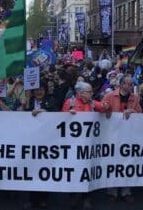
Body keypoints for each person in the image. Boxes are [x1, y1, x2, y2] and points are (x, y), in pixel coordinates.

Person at [62, 81, 110, 210]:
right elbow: (60, 121)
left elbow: (106, 108)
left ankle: (86, 198)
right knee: (74, 171)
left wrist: (106, 105)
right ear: (80, 93)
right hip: (74, 145)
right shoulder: (69, 103)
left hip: (89, 145)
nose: (92, 94)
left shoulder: (93, 103)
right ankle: (73, 197)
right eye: (89, 92)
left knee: (88, 172)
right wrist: (68, 116)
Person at [102, 75, 142, 203]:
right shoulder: (110, 96)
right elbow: (102, 109)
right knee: (113, 163)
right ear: (121, 84)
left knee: (127, 162)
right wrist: (106, 110)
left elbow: (140, 114)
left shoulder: (135, 98)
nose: (130, 87)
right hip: (112, 135)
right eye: (128, 84)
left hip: (129, 135)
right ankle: (112, 192)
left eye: (132, 84)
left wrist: (133, 112)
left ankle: (126, 191)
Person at [24, 81, 58, 209]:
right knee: (32, 171)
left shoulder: (51, 101)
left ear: (45, 90)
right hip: (31, 141)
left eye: (41, 89)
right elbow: (19, 117)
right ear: (33, 91)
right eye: (36, 89)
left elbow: (57, 113)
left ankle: (44, 198)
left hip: (46, 142)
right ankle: (32, 200)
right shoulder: (28, 101)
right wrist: (23, 107)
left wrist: (44, 111)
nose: (39, 92)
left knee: (45, 171)